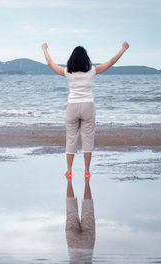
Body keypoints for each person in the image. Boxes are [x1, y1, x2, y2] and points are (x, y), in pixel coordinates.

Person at [41, 42, 129, 180]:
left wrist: (44, 49)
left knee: (70, 139)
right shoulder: (92, 70)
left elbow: (50, 62)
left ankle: (69, 171)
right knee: (88, 139)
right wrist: (123, 49)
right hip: (88, 106)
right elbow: (111, 62)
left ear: (72, 59)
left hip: (72, 107)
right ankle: (87, 171)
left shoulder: (67, 71)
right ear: (86, 58)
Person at [65, 172, 95, 264]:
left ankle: (87, 179)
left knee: (88, 212)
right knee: (71, 213)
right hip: (73, 248)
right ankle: (69, 180)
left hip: (87, 248)